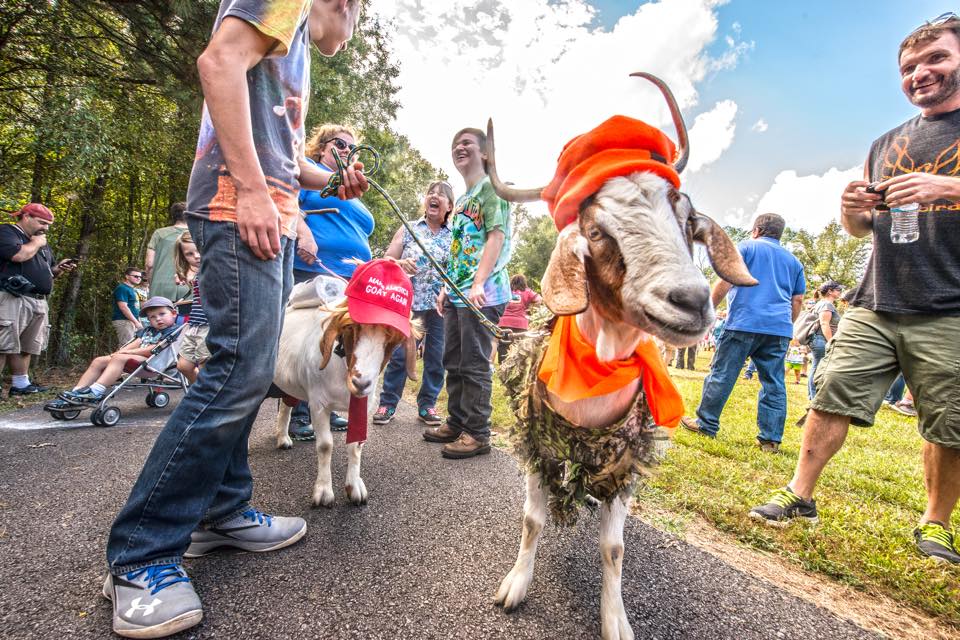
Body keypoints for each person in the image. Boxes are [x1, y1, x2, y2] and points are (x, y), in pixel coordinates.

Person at [103, 2, 367, 638]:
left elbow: (279, 145)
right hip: (236, 204)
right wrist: (250, 189)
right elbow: (217, 63)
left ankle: (222, 509)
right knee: (237, 370)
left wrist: (329, 181)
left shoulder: (295, 33)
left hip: (270, 208)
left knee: (249, 372)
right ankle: (141, 553)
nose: (355, 30)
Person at [750, 14, 960, 565]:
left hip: (950, 307)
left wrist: (947, 185)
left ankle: (936, 524)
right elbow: (865, 229)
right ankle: (799, 494)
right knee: (830, 394)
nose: (920, 73)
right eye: (909, 67)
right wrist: (850, 214)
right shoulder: (887, 142)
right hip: (877, 298)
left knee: (947, 420)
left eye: (936, 58)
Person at [680, 213, 805, 453]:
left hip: (743, 322)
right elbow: (797, 300)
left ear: (756, 230)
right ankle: (770, 439)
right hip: (778, 329)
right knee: (774, 383)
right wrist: (785, 324)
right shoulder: (794, 261)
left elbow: (725, 281)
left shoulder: (746, 247)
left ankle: (706, 423)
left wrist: (707, 311)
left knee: (722, 375)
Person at [423, 127, 512, 459]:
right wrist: (447, 287)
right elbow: (458, 250)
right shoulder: (461, 201)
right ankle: (457, 422)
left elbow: (496, 237)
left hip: (483, 294)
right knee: (453, 360)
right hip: (458, 294)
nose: (459, 147)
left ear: (485, 154)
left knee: (474, 362)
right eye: (455, 144)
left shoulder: (493, 189)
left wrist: (477, 283)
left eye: (467, 143)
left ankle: (477, 432)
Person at [286, 122, 375, 440]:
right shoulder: (306, 169)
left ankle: (328, 407)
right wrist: (303, 230)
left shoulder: (350, 188)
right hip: (314, 269)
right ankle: (299, 413)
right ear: (321, 148)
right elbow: (284, 198)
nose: (345, 150)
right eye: (338, 144)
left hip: (352, 277)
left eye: (350, 147)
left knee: (340, 343)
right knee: (309, 342)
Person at [375, 181, 453, 427]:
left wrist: (446, 289)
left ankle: (427, 405)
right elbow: (388, 258)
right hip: (409, 304)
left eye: (441, 195)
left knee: (437, 357)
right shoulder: (409, 228)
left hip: (441, 308)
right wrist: (400, 263)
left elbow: (458, 270)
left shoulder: (454, 235)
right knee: (399, 355)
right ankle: (387, 403)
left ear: (449, 206)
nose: (434, 196)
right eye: (431, 192)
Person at [0, 203, 76, 396]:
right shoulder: (8, 232)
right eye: (42, 222)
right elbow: (17, 256)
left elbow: (48, 271)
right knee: (3, 343)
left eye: (48, 224)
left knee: (27, 345)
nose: (46, 228)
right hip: (12, 297)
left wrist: (58, 268)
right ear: (26, 217)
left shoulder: (41, 242)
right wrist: (36, 243)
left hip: (38, 299)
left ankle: (21, 384)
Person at [46, 297, 179, 407]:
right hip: (138, 362)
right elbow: (133, 345)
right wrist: (119, 353)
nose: (158, 319)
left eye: (162, 314)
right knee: (99, 360)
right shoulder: (147, 331)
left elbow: (152, 350)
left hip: (154, 365)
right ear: (149, 320)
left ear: (173, 314)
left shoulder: (173, 331)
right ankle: (76, 393)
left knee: (119, 358)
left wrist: (124, 355)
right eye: (153, 317)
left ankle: (96, 391)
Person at [173, 232, 208, 384]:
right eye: (189, 254)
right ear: (183, 257)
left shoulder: (212, 270)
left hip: (209, 325)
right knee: (183, 366)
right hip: (194, 324)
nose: (197, 256)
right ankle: (200, 392)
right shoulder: (196, 274)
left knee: (204, 366)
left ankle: (207, 398)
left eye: (199, 250)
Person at [145, 202, 191, 305]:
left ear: (173, 216)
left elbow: (149, 264)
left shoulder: (159, 233)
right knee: (188, 319)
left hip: (161, 287)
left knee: (161, 318)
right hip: (188, 285)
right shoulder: (196, 234)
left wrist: (151, 284)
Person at [807, 280, 843, 399]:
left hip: (820, 340)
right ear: (830, 291)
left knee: (816, 366)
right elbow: (824, 324)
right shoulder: (826, 304)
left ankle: (812, 396)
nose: (840, 292)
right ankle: (814, 397)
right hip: (821, 340)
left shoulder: (824, 303)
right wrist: (831, 341)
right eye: (838, 290)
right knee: (817, 367)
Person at [496, 273, 541, 363]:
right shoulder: (527, 291)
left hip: (504, 322)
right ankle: (515, 366)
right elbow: (540, 300)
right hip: (521, 324)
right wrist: (529, 307)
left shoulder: (505, 291)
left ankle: (502, 365)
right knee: (519, 346)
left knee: (503, 345)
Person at [112, 267, 144, 346]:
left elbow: (135, 307)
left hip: (132, 321)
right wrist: (136, 322)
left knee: (133, 346)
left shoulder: (132, 289)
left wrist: (138, 321)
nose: (138, 278)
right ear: (127, 276)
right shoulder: (122, 288)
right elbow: (123, 307)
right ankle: (116, 359)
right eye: (135, 276)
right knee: (126, 346)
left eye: (140, 277)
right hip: (124, 321)